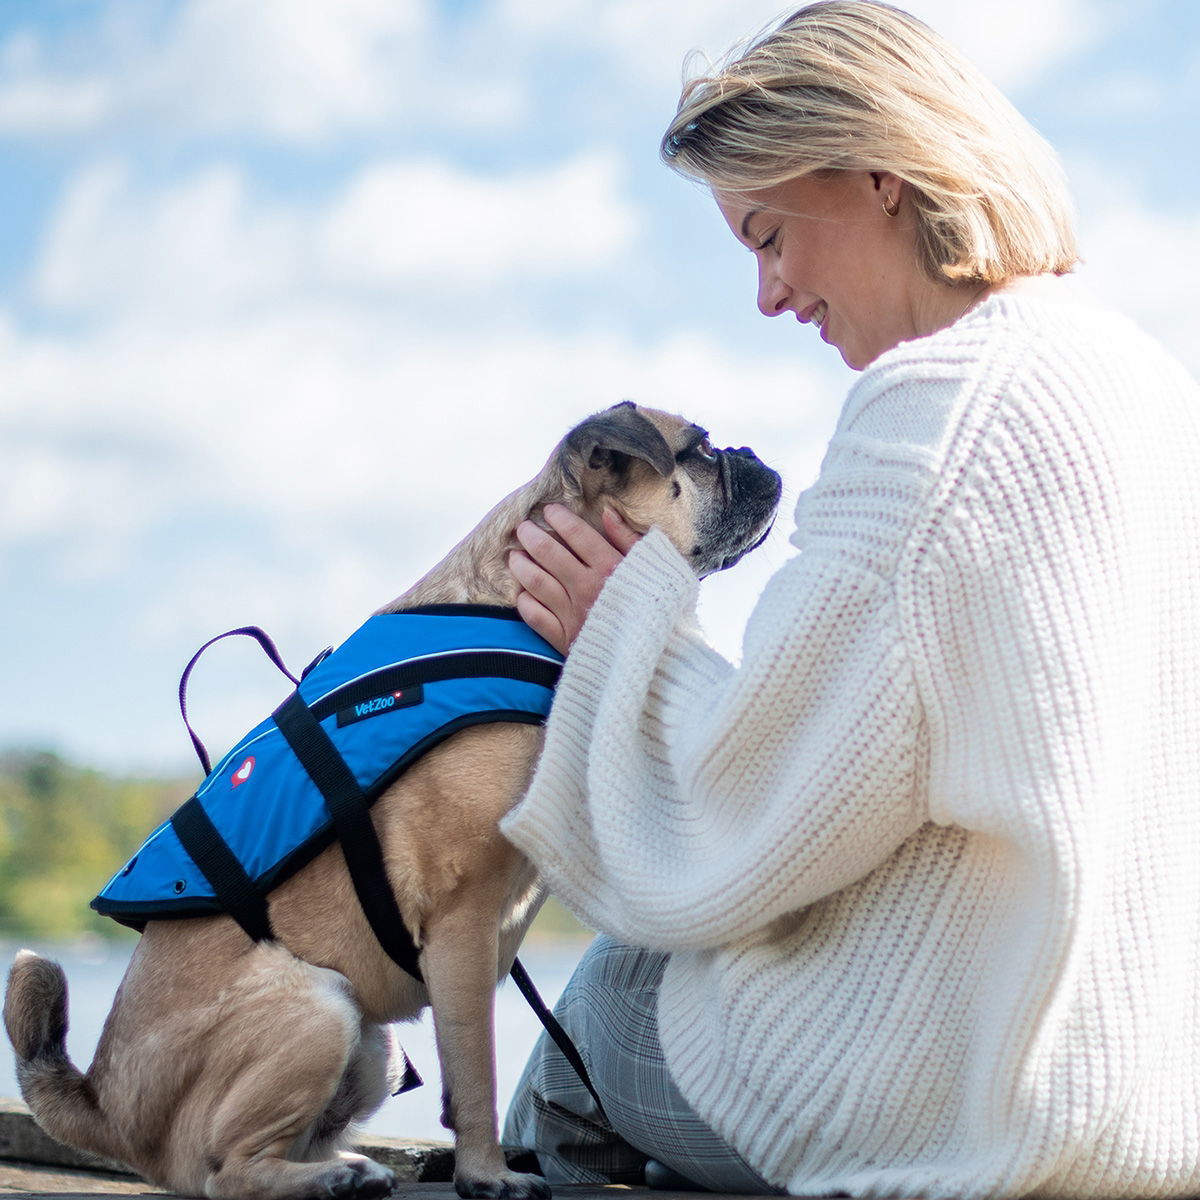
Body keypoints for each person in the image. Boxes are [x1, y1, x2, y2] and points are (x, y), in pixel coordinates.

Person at [500, 2, 1200, 1196]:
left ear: (877, 172)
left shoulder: (940, 415)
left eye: (768, 235)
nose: (769, 296)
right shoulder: (1147, 379)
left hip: (991, 1107)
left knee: (606, 1002)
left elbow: (748, 804)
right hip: (1159, 1097)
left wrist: (621, 628)